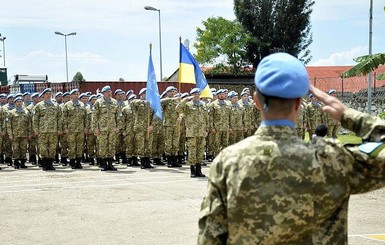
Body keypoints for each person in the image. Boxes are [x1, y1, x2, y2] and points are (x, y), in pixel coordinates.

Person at [198, 52, 385, 244]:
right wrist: (348, 115)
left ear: (256, 101)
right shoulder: (331, 159)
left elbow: (210, 238)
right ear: (298, 103)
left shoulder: (228, 162)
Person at [176, 88, 208, 178]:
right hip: (192, 132)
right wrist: (186, 99)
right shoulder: (187, 105)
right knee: (192, 152)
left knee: (200, 152)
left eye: (198, 94)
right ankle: (192, 171)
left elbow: (207, 118)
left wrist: (207, 129)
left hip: (202, 132)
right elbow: (178, 108)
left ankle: (199, 170)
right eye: (195, 94)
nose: (197, 95)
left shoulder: (203, 105)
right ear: (191, 95)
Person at [32, 88, 62, 171]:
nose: (48, 95)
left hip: (53, 130)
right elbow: (35, 119)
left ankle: (50, 164)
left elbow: (59, 118)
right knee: (43, 148)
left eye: (50, 94)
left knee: (52, 147)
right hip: (42, 131)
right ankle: (44, 164)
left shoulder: (56, 105)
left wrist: (59, 129)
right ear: (43, 95)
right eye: (47, 94)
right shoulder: (39, 106)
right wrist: (36, 130)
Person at [91, 85, 119, 171]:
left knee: (111, 145)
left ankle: (110, 164)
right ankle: (103, 164)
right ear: (103, 93)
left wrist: (118, 127)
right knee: (102, 146)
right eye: (107, 92)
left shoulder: (114, 102)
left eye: (110, 91)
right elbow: (94, 116)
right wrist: (95, 128)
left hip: (112, 128)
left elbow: (118, 116)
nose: (109, 93)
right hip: (102, 129)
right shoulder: (98, 102)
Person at [7, 96, 31, 169]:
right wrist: (10, 134)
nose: (19, 103)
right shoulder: (11, 112)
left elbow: (29, 124)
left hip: (24, 134)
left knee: (23, 148)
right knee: (16, 148)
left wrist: (29, 134)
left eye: (20, 102)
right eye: (17, 102)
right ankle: (16, 162)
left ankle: (23, 162)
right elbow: (8, 125)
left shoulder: (26, 112)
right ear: (15, 103)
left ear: (22, 103)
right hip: (15, 134)